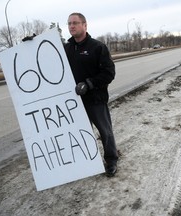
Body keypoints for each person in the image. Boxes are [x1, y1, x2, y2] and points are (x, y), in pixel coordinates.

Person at [64, 12, 118, 177]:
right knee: (80, 133)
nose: (71, 26)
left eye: (75, 23)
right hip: (74, 101)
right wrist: (31, 45)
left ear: (85, 25)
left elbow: (109, 73)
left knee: (105, 132)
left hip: (95, 99)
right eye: (69, 23)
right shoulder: (66, 48)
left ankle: (111, 160)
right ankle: (87, 162)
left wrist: (89, 84)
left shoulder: (97, 47)